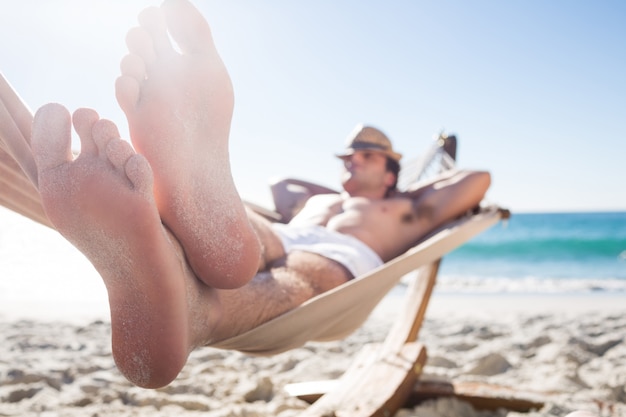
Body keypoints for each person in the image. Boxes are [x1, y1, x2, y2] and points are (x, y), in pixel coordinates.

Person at [29, 0, 490, 389]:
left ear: (391, 171)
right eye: (348, 155)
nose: (352, 161)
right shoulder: (320, 200)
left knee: (298, 282)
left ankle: (198, 307)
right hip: (280, 233)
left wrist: (421, 174)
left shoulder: (408, 208)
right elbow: (281, 191)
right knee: (244, 233)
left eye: (366, 156)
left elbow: (477, 180)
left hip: (338, 260)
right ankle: (197, 217)